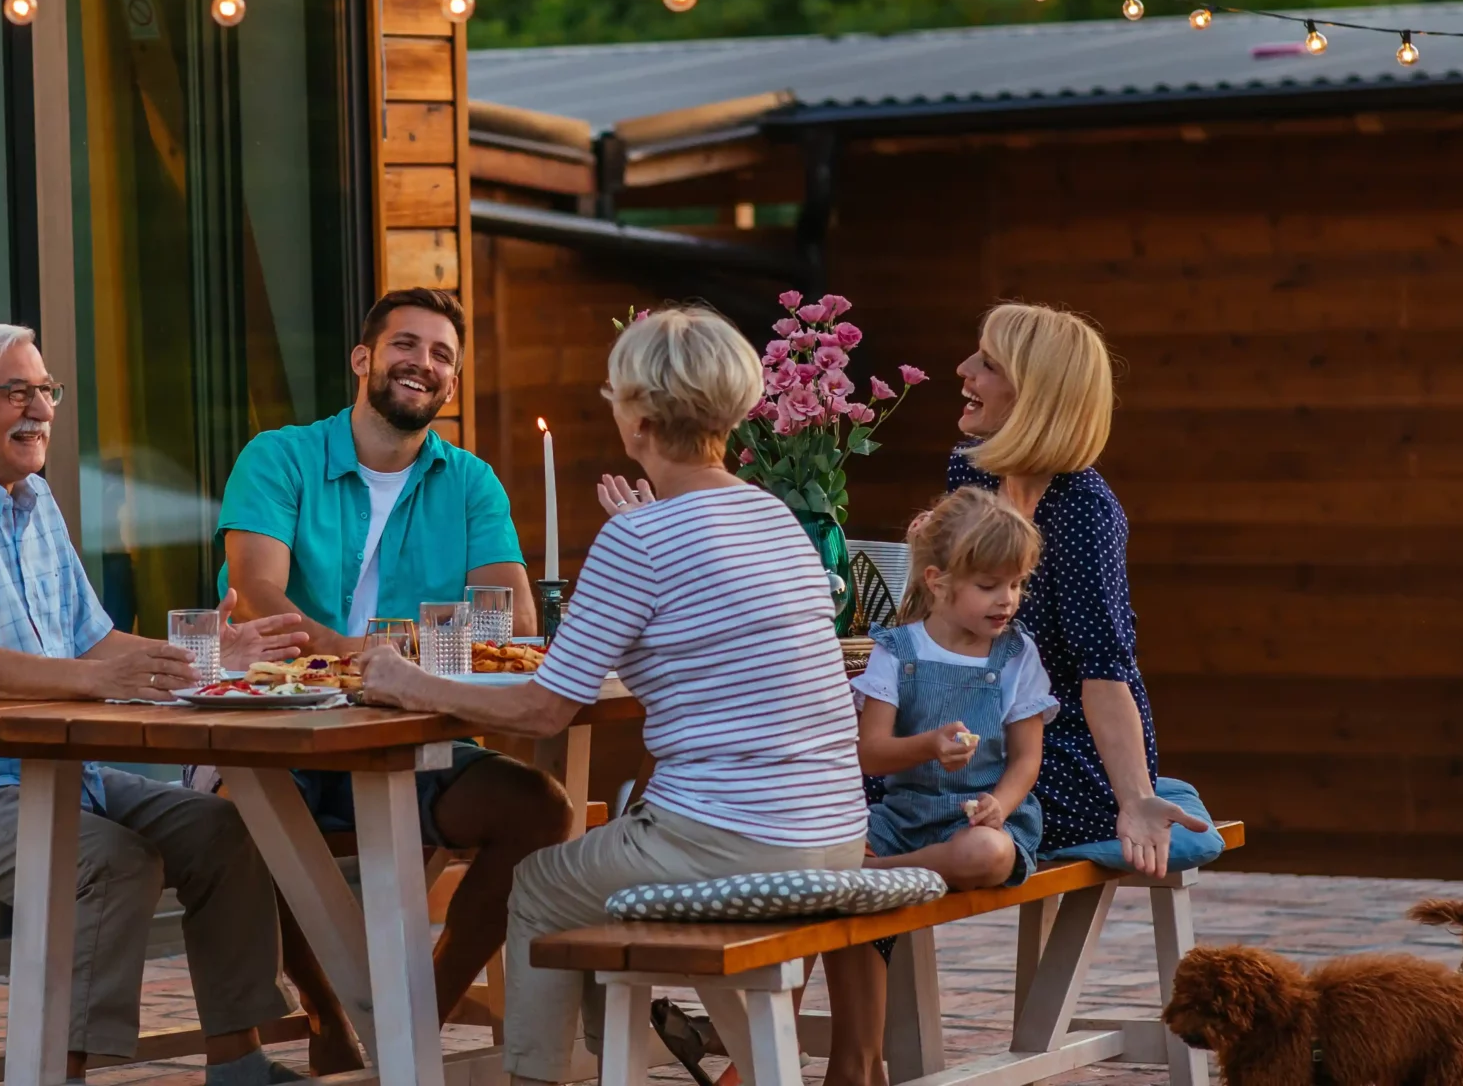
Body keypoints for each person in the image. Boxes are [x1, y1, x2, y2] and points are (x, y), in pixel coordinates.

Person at [357, 304, 868, 1086]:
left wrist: (405, 680)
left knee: (539, 884)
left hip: (733, 841)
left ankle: (539, 1076)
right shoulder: (771, 516)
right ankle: (620, 1055)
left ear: (636, 420)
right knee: (588, 875)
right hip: (833, 832)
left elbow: (544, 709)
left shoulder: (640, 538)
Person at [0, 322, 311, 1085]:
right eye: (16, 392)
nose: (40, 408)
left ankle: (240, 1067)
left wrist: (203, 659)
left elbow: (94, 645)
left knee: (223, 828)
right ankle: (61, 1071)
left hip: (60, 774)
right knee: (110, 861)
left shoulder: (34, 504)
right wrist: (111, 682)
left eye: (46, 389)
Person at [216, 287, 571, 1066]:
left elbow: (510, 617)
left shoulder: (470, 481)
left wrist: (406, 667)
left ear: (451, 382)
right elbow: (259, 594)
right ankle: (326, 1019)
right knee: (238, 822)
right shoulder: (279, 457)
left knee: (540, 810)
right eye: (406, 345)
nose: (424, 364)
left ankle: (412, 1035)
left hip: (413, 738)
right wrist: (371, 658)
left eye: (442, 354)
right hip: (288, 729)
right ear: (363, 358)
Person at [944, 301, 1220, 878]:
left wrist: (1136, 798)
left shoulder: (1083, 511)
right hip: (979, 716)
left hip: (1063, 742)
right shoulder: (969, 472)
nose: (964, 369)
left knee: (898, 802)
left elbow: (1104, 671)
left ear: (1035, 395)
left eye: (988, 364)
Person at [820, 487, 1059, 1086]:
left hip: (977, 820)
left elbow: (1027, 759)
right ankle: (856, 1061)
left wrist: (998, 807)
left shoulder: (1014, 654)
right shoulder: (897, 651)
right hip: (904, 811)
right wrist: (927, 745)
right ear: (938, 580)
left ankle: (888, 874)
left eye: (1016, 584)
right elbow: (870, 752)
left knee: (985, 854)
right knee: (832, 867)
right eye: (989, 585)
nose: (1007, 600)